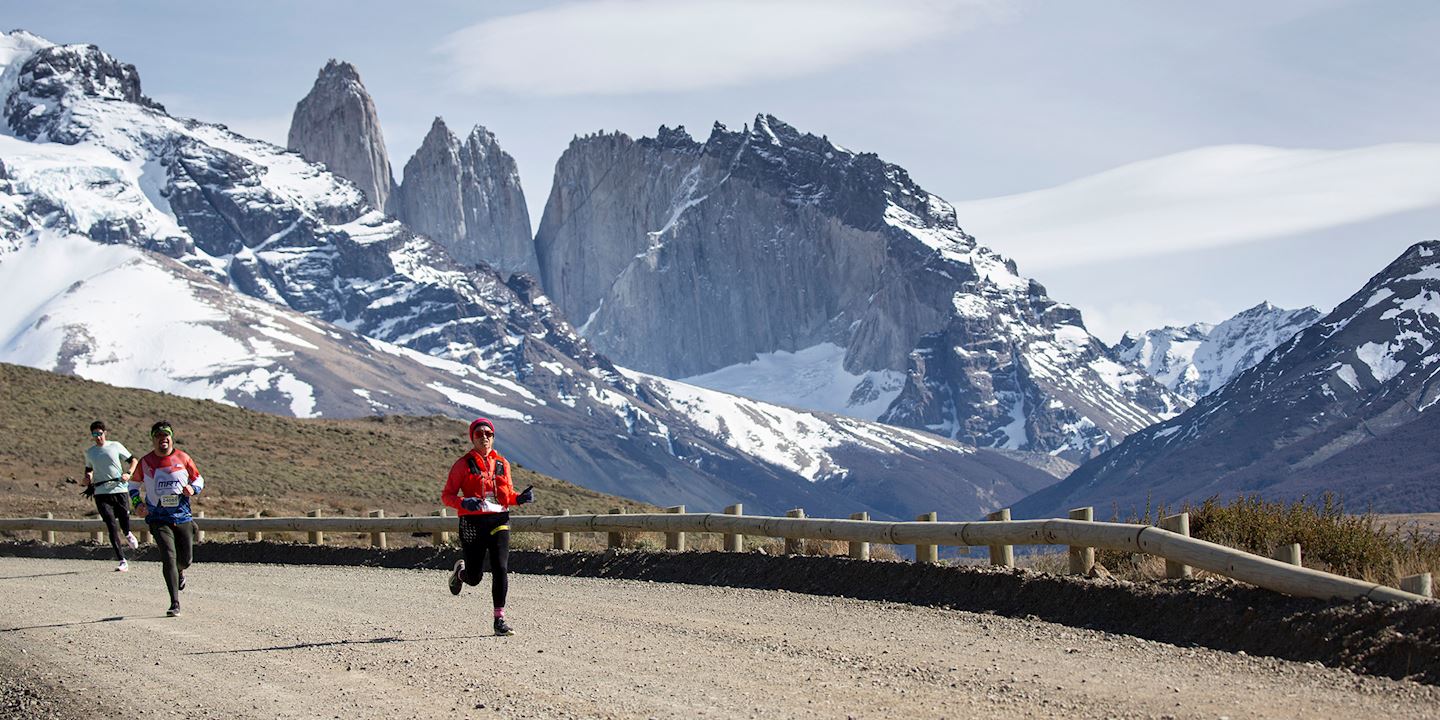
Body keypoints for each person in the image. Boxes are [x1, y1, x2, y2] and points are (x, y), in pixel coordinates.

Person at [442, 417, 534, 636]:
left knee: (500, 567)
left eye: (488, 434)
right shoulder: (462, 464)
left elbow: (507, 495)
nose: (484, 437)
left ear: (493, 437)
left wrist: (519, 499)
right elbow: (447, 496)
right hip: (472, 522)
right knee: (475, 578)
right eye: (479, 434)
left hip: (499, 519)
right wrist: (464, 502)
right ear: (472, 438)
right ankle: (461, 573)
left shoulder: (502, 463)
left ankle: (499, 620)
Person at [130, 420, 205, 617]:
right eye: (158, 436)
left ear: (171, 438)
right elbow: (133, 486)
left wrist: (193, 488)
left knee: (185, 560)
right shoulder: (145, 462)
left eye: (166, 435)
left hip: (182, 515)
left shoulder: (183, 457)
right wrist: (137, 503)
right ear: (153, 439)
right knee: (168, 558)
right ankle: (174, 603)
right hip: (158, 517)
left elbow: (198, 478)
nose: (163, 439)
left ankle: (181, 571)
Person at [83, 420, 139, 571]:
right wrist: (87, 478)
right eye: (94, 434)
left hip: (120, 489)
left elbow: (134, 460)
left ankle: (127, 533)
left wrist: (128, 473)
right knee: (111, 525)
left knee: (124, 519)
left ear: (105, 433)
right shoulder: (90, 452)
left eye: (100, 434)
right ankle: (122, 560)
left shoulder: (115, 446)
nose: (98, 437)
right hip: (101, 492)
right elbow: (88, 470)